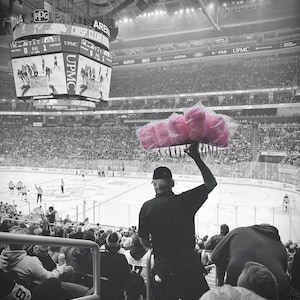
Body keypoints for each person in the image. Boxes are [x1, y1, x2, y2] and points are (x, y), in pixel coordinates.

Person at [138, 142, 217, 300]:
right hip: (189, 266)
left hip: (163, 267)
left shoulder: (147, 207)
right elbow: (211, 183)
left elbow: (144, 241)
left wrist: (157, 247)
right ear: (172, 183)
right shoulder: (185, 201)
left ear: (154, 184)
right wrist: (196, 157)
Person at [210, 224, 290, 300]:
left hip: (239, 275)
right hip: (276, 287)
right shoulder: (281, 247)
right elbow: (284, 270)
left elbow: (214, 256)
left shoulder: (239, 231)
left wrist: (230, 266)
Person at [100, 231, 131, 300]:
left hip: (100, 287)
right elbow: (127, 276)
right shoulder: (122, 256)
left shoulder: (99, 253)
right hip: (116, 290)